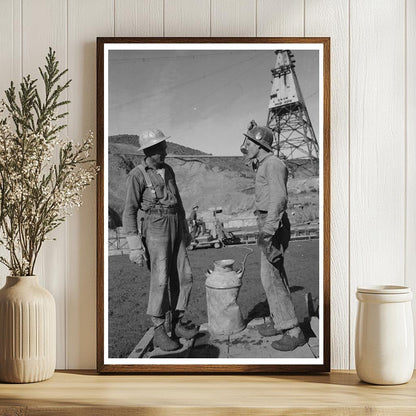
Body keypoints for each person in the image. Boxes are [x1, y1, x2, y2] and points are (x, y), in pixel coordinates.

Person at [122, 129, 198, 352]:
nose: (165, 151)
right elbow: (129, 211)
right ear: (149, 151)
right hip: (155, 228)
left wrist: (185, 229)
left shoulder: (169, 170)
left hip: (175, 223)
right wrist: (134, 245)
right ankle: (158, 330)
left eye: (164, 146)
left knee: (184, 275)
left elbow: (180, 202)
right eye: (160, 148)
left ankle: (176, 322)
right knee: (160, 278)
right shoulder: (137, 175)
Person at [240, 125, 306, 351]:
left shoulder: (273, 165)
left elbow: (279, 198)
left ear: (260, 145)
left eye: (249, 144)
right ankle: (281, 322)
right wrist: (250, 145)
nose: (245, 147)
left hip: (272, 224)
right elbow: (249, 154)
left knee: (272, 278)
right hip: (268, 222)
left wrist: (268, 230)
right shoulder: (264, 164)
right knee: (271, 275)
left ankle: (293, 331)